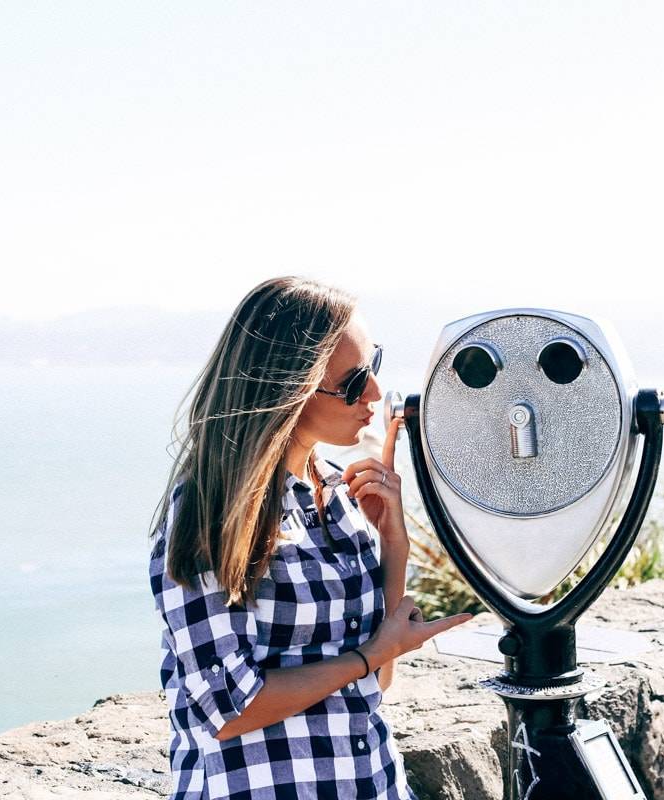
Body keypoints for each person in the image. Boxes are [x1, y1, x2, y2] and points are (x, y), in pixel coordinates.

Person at [147, 276, 474, 799]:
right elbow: (230, 707)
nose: (373, 394)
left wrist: (394, 543)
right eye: (352, 382)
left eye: (374, 369)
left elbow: (376, 683)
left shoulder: (337, 496)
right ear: (287, 389)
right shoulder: (215, 508)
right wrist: (368, 656)